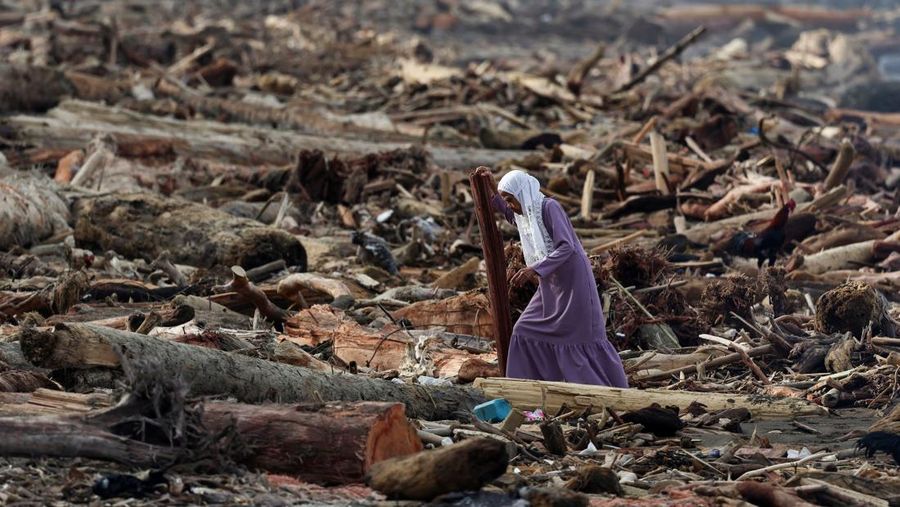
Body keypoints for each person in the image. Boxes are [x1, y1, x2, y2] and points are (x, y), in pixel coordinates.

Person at [476, 167, 628, 388]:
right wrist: (492, 186)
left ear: (523, 194)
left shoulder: (549, 207)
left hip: (573, 281)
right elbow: (513, 215)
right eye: (507, 200)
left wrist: (534, 269)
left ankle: (599, 391)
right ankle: (530, 391)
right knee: (524, 330)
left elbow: (567, 247)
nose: (510, 205)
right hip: (550, 283)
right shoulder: (525, 212)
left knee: (577, 338)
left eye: (511, 199)